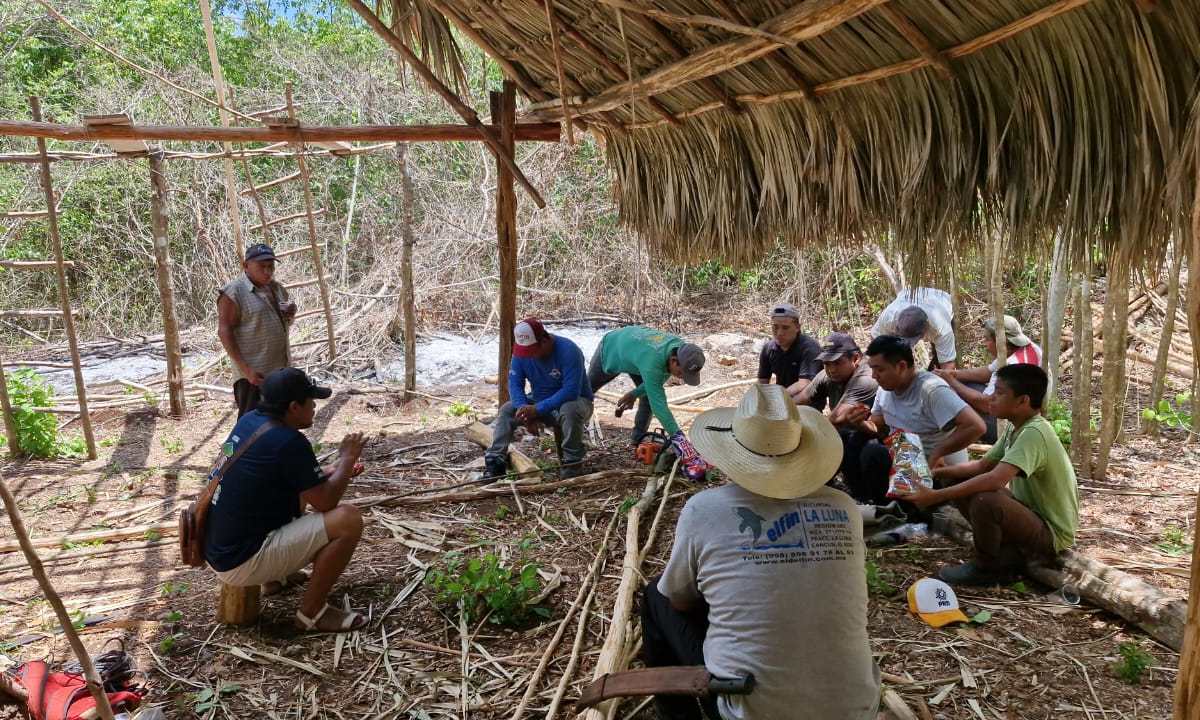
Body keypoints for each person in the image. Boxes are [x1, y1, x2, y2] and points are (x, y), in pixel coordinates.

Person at [642, 384, 880, 720]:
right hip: (855, 708)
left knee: (656, 596)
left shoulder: (704, 510)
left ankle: (677, 714)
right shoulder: (844, 508)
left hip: (750, 708)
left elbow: (678, 601)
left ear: (733, 451)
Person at [204, 368, 367, 633]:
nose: (315, 406)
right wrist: (347, 460)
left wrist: (334, 471)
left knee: (301, 492)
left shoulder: (249, 421)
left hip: (218, 546)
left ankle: (275, 580)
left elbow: (279, 477)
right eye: (310, 400)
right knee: (348, 520)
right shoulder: (289, 442)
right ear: (293, 407)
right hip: (241, 560)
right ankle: (312, 613)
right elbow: (325, 503)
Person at [897, 364, 1078, 586]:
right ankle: (1006, 552)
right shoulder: (1016, 427)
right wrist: (937, 472)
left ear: (1023, 401)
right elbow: (982, 466)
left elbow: (995, 479)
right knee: (957, 479)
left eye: (999, 393)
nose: (991, 398)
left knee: (987, 499)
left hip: (1050, 533)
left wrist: (937, 496)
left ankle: (988, 567)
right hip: (1031, 515)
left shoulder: (1034, 432)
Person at [840, 336, 986, 505]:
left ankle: (901, 511)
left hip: (935, 470)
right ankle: (866, 500)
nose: (874, 376)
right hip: (904, 455)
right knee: (848, 436)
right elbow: (876, 427)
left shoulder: (931, 389)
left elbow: (976, 426)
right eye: (872, 369)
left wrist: (938, 452)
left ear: (901, 366)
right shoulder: (885, 389)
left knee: (876, 453)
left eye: (879, 370)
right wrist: (858, 422)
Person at [485, 318, 593, 480]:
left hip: (576, 402)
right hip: (539, 401)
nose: (530, 356)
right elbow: (514, 384)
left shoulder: (569, 351)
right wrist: (524, 411)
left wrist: (537, 409)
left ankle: (572, 464)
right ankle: (495, 462)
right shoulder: (521, 352)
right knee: (507, 410)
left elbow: (571, 391)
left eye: (533, 351)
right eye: (525, 352)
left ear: (545, 339)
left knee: (569, 409)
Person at [795, 332, 881, 504]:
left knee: (845, 439)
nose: (831, 369)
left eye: (837, 363)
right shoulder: (828, 374)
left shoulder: (866, 379)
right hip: (847, 433)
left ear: (855, 358)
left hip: (874, 437)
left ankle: (866, 497)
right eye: (826, 363)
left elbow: (836, 417)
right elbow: (801, 398)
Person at [587, 325, 705, 445]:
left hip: (638, 355)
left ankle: (638, 437)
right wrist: (680, 440)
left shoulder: (681, 351)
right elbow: (659, 407)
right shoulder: (654, 362)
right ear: (674, 361)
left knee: (648, 396)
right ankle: (572, 426)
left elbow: (655, 383)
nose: (682, 378)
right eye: (681, 373)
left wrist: (634, 394)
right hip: (611, 348)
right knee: (585, 391)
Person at [217, 243, 296, 417]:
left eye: (271, 267)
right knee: (247, 424)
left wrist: (291, 314)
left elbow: (282, 323)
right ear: (246, 266)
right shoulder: (233, 293)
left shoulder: (277, 289)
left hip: (279, 371)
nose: (268, 271)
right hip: (254, 376)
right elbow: (224, 332)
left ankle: (272, 446)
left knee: (278, 421)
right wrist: (247, 371)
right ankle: (229, 446)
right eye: (262, 266)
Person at [937, 315, 1043, 443]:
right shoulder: (1030, 348)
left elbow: (986, 404)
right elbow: (986, 372)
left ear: (1000, 343)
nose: (984, 343)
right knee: (962, 385)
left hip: (1010, 426)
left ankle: (955, 435)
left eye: (987, 339)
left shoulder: (1009, 366)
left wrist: (951, 382)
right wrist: (953, 374)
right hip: (1028, 414)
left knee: (953, 394)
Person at [872, 287, 957, 369]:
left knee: (939, 359)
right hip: (910, 293)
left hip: (941, 300)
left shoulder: (941, 327)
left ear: (924, 331)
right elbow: (875, 341)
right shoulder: (889, 317)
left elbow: (948, 365)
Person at [756, 302, 822, 401]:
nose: (779, 333)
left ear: (797, 327)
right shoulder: (769, 349)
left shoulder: (809, 348)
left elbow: (805, 383)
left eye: (785, 328)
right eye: (775, 327)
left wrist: (778, 399)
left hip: (807, 405)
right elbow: (762, 382)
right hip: (782, 401)